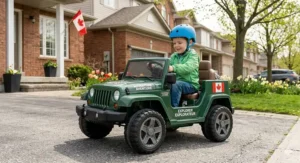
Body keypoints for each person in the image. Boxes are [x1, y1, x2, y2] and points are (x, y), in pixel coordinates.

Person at [168, 24, 200, 107]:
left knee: (176, 84)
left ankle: (173, 109)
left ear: (190, 42)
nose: (176, 45)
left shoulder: (193, 55)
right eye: (174, 43)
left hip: (191, 84)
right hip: (177, 82)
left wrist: (173, 68)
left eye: (179, 43)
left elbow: (188, 67)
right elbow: (167, 65)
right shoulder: (174, 56)